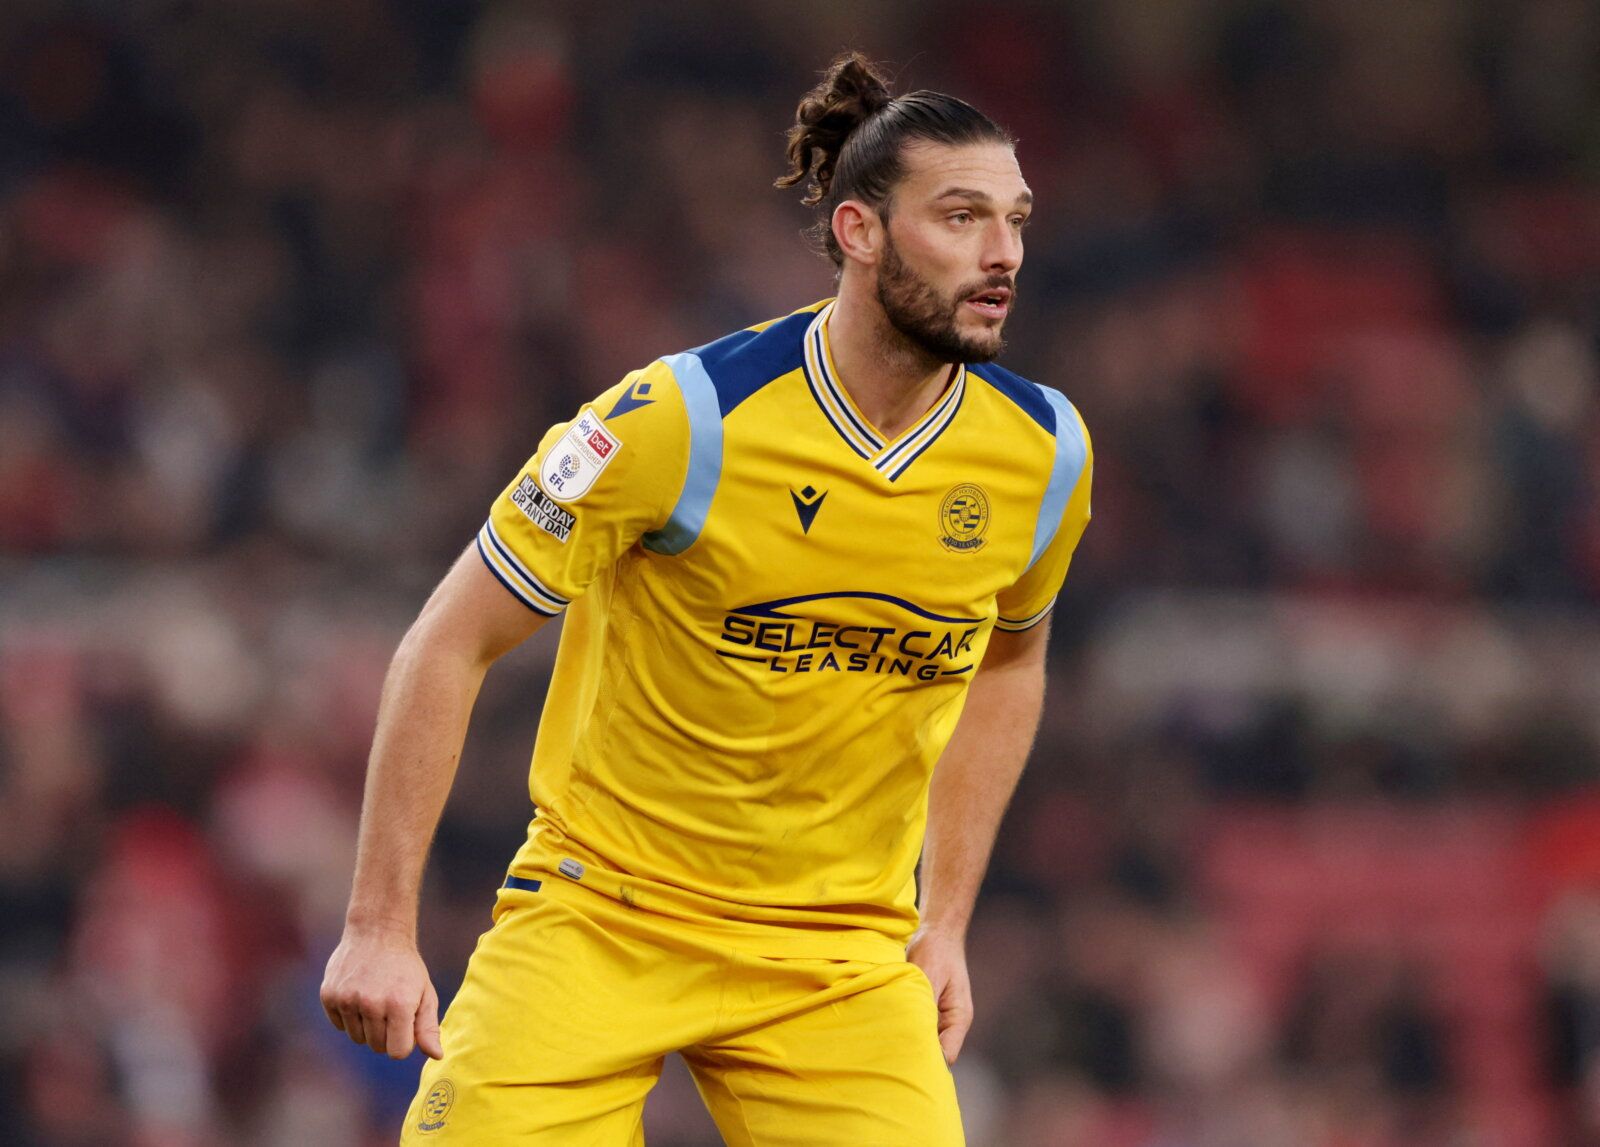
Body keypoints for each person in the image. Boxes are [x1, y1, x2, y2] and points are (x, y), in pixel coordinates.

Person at [321, 50, 1092, 1145]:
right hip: (604, 913)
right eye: (961, 216)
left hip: (835, 955)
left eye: (1014, 218)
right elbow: (446, 642)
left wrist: (946, 917)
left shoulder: (1046, 451)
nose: (1003, 253)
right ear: (858, 232)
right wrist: (378, 926)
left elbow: (1010, 656)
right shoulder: (678, 420)